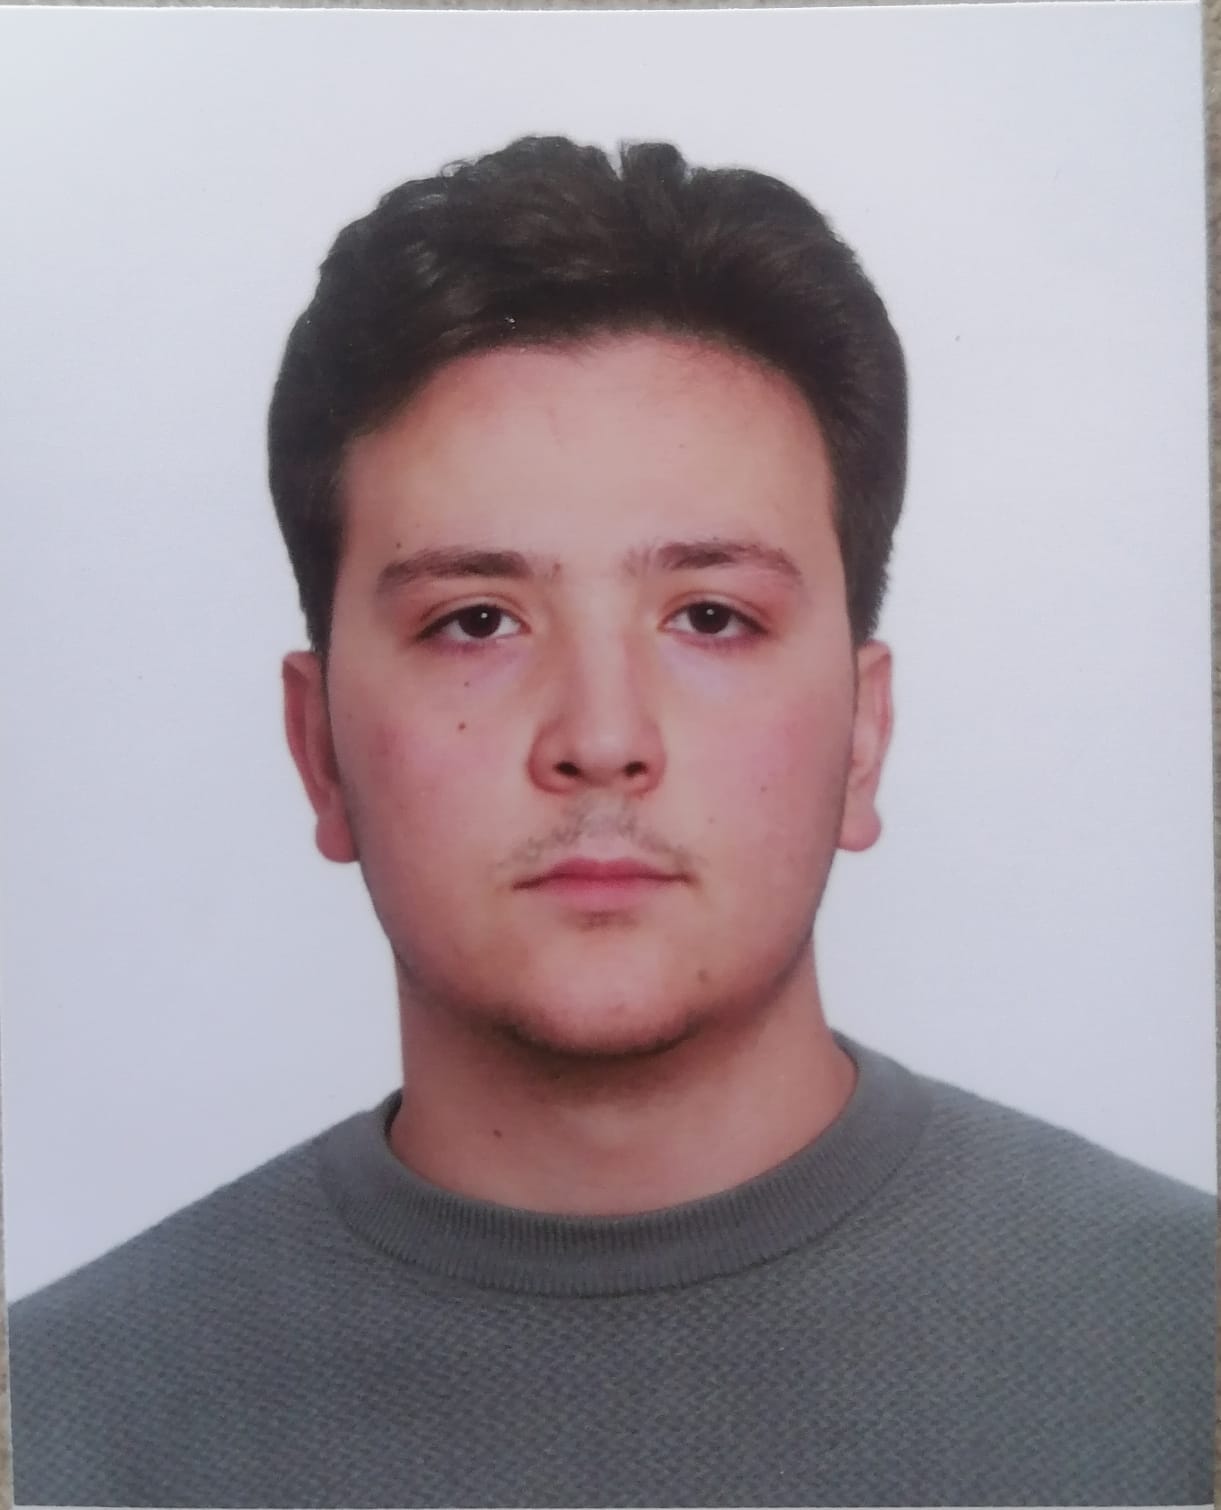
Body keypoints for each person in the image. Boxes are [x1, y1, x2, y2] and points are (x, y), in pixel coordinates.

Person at [9, 135, 1213, 1509]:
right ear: (318, 747)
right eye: (476, 621)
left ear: (864, 734)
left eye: (710, 616)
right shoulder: (55, 1427)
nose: (599, 736)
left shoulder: (1182, 1348)